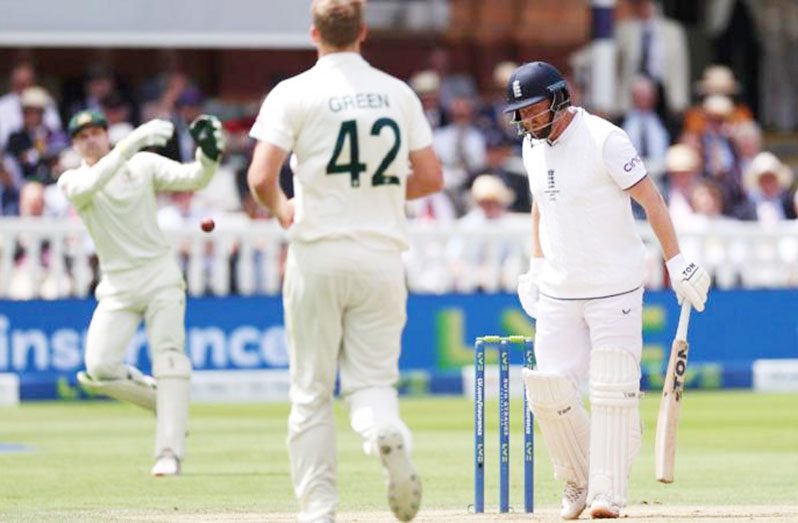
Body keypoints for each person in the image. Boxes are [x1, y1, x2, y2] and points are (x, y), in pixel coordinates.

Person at [246, 1, 442, 521]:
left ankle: (320, 509)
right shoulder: (399, 93)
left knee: (311, 390)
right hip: (381, 255)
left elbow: (261, 178)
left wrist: (284, 210)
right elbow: (431, 177)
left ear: (315, 33)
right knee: (373, 384)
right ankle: (385, 432)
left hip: (319, 252)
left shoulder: (294, 92)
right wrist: (382, 195)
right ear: (364, 33)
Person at [507, 62, 710, 519]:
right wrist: (536, 265)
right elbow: (541, 204)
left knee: (613, 388)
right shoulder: (530, 146)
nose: (528, 120)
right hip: (559, 290)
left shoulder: (604, 139)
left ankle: (607, 494)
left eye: (534, 108)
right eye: (520, 112)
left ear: (559, 99)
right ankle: (578, 480)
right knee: (547, 391)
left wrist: (675, 261)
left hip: (615, 287)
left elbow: (651, 199)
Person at [58, 108, 225, 476]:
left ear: (105, 134)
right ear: (75, 144)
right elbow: (90, 186)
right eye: (82, 136)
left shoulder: (142, 166)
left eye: (96, 132)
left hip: (160, 276)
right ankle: (167, 403)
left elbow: (195, 178)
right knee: (98, 367)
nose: (91, 140)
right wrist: (133, 141)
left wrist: (208, 154)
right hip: (117, 287)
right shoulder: (72, 181)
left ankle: (169, 453)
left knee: (169, 357)